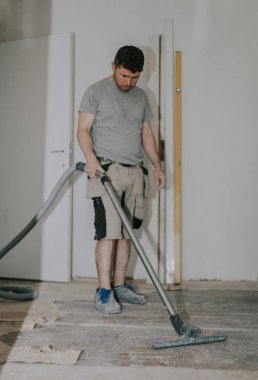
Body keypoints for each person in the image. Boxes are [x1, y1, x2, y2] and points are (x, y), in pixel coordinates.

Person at [77, 45, 165, 314]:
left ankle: (120, 285)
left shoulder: (141, 96)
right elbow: (83, 130)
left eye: (135, 77)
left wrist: (157, 165)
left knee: (127, 234)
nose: (129, 82)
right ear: (113, 65)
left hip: (135, 171)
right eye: (125, 75)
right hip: (107, 171)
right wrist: (90, 158)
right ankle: (104, 292)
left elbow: (146, 132)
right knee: (107, 234)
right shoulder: (96, 91)